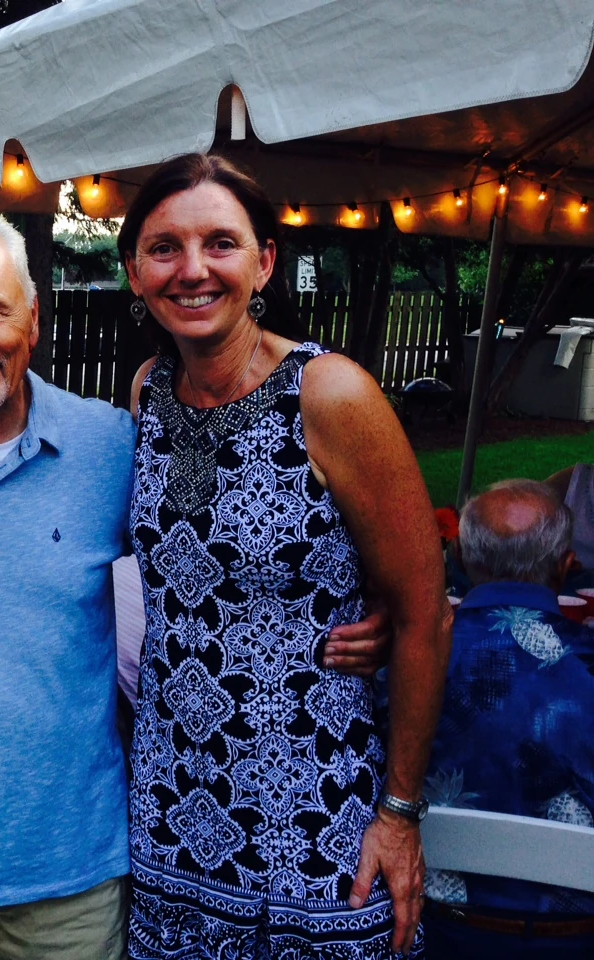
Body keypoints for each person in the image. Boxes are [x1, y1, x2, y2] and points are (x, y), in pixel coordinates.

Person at [0, 210, 391, 960]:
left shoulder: (112, 447)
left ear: (34, 318)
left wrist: (359, 607)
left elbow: (227, 558)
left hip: (76, 874)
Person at [118, 153, 450, 959]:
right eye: (164, 248)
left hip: (318, 820)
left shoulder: (329, 393)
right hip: (172, 813)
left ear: (264, 261)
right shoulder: (146, 391)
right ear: (135, 271)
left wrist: (400, 816)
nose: (192, 271)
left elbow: (423, 616)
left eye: (220, 244)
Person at [423, 479, 594, 959]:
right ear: (566, 568)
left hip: (435, 931)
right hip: (574, 939)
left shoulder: (408, 661)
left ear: (457, 557)